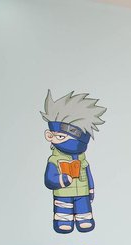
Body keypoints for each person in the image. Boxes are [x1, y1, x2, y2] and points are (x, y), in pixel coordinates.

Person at [41, 90, 106, 233]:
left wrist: (90, 189)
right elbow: (49, 179)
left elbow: (88, 174)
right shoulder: (54, 159)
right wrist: (62, 179)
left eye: (60, 137)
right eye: (53, 135)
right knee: (63, 209)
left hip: (82, 192)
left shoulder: (82, 160)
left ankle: (84, 218)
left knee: (84, 209)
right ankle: (63, 220)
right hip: (62, 194)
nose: (52, 138)